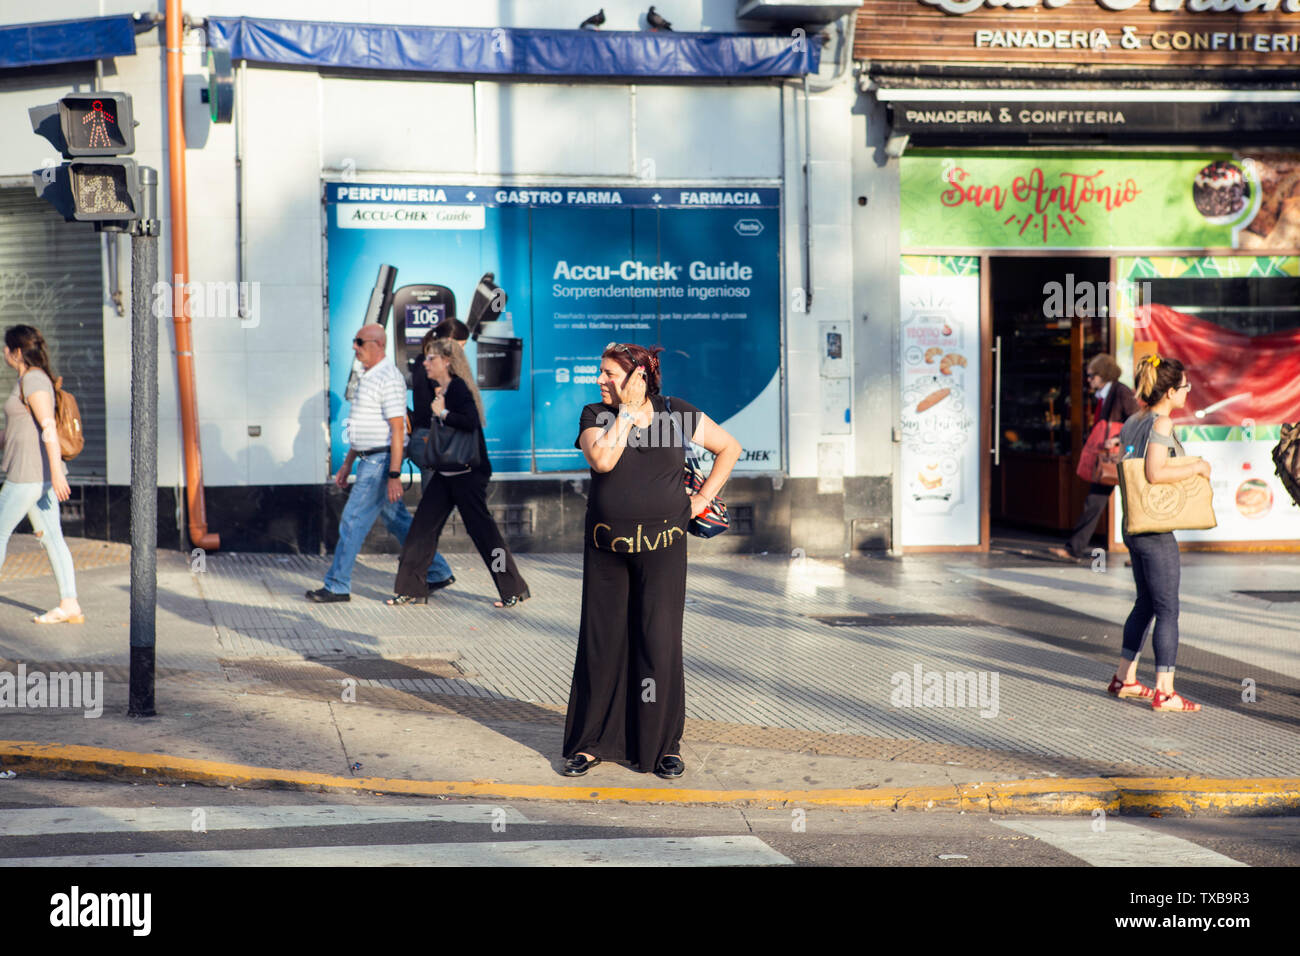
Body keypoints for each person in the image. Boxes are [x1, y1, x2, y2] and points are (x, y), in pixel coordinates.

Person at [562, 343, 741, 779]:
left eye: (608, 373)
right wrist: (625, 411)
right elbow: (603, 460)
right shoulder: (594, 415)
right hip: (607, 549)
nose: (599, 380)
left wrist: (701, 499)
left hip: (663, 547)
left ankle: (661, 746)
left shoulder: (675, 412)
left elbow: (729, 448)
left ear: (637, 376)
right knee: (603, 645)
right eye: (599, 372)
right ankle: (590, 744)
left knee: (657, 644)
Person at [307, 323, 451, 602]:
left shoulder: (388, 378)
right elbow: (363, 429)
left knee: (352, 520)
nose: (354, 347)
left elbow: (398, 429)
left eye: (359, 341)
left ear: (378, 344)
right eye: (355, 341)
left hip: (380, 462)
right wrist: (348, 463)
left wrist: (394, 474)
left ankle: (337, 585)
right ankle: (438, 570)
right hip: (369, 459)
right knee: (398, 521)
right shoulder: (368, 376)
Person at [389, 337, 529, 607]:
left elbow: (470, 421)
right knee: (422, 529)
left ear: (447, 362)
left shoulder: (458, 388)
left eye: (431, 359)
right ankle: (411, 589)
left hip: (467, 474)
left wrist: (442, 414)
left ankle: (513, 588)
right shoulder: (438, 389)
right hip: (446, 472)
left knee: (484, 533)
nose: (425, 363)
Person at [1107, 354, 1206, 712]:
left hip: (1133, 524)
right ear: (1169, 392)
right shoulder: (1161, 422)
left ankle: (1124, 679)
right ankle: (1166, 692)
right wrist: (1196, 465)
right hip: (1155, 529)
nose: (1188, 391)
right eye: (1184, 387)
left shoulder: (1133, 420)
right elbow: (1155, 472)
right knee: (1168, 609)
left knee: (1145, 602)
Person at [0, 325, 82, 624]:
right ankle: (69, 603)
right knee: (52, 537)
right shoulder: (28, 379)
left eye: (6, 348)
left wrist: (58, 476)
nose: (3, 353)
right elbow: (25, 429)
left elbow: (48, 428)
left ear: (17, 352)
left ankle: (70, 602)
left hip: (28, 475)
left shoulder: (34, 379)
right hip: (38, 475)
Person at [1050, 353, 1139, 562]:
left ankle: (1137, 552)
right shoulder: (1105, 394)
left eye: (1092, 376)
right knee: (1096, 502)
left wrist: (1117, 439)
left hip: (1120, 457)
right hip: (1107, 460)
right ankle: (1074, 548)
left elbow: (1135, 420)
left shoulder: (1120, 392)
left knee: (1130, 505)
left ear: (1103, 375)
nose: (1088, 380)